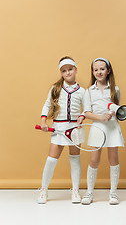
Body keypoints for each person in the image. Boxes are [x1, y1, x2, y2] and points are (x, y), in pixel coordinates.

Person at [37, 56, 85, 204]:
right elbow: (47, 105)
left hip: (75, 129)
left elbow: (87, 109)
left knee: (75, 160)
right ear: (61, 73)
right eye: (64, 71)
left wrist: (81, 117)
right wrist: (43, 121)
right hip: (59, 128)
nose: (68, 73)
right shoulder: (55, 88)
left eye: (70, 69)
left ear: (76, 70)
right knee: (51, 160)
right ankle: (43, 190)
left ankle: (75, 191)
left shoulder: (82, 91)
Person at [81, 57, 124, 205]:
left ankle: (113, 193)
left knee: (113, 159)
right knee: (94, 160)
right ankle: (89, 193)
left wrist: (112, 114)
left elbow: (118, 109)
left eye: (102, 69)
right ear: (92, 72)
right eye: (96, 69)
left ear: (108, 71)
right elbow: (86, 112)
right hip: (98, 127)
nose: (99, 72)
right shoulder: (89, 91)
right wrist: (100, 117)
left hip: (112, 127)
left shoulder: (115, 89)